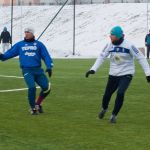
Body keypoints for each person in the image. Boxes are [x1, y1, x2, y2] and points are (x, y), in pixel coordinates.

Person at [85, 26, 150, 123]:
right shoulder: (109, 45)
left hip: (126, 74)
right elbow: (101, 57)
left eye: (113, 35)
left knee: (120, 93)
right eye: (110, 34)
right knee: (107, 95)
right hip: (113, 75)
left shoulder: (129, 46)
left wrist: (148, 73)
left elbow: (141, 58)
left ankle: (114, 115)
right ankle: (104, 109)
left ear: (119, 36)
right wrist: (93, 69)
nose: (110, 36)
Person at [0, 27, 53, 115]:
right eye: (25, 32)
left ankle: (38, 104)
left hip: (38, 70)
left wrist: (49, 66)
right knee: (32, 87)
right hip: (27, 70)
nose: (26, 34)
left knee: (47, 88)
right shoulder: (20, 45)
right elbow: (8, 54)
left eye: (28, 32)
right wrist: (1, 55)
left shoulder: (39, 44)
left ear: (32, 33)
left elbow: (46, 56)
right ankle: (33, 108)